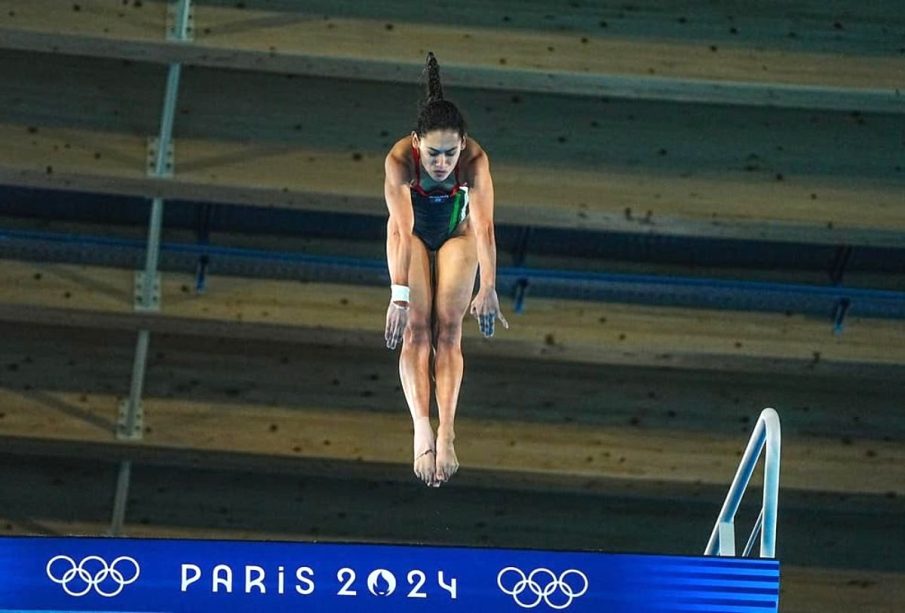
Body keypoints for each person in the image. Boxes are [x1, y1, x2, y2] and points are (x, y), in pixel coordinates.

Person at [384, 52, 508, 487]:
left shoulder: (474, 162)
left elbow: (485, 226)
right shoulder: (400, 161)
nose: (441, 164)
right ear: (417, 143)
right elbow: (401, 230)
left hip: (458, 232)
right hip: (412, 236)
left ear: (463, 144)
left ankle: (448, 431)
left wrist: (489, 286)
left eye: (450, 154)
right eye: (434, 154)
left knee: (449, 328)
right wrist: (399, 296)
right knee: (418, 328)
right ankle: (422, 426)